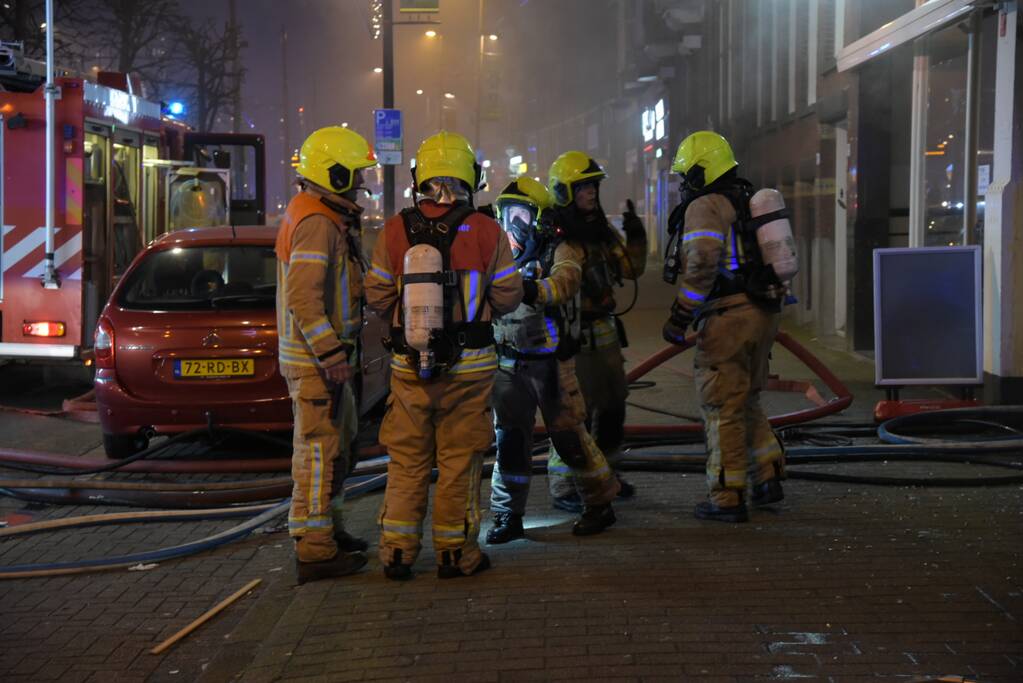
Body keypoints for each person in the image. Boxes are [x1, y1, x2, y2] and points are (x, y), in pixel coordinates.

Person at [365, 131, 523, 579]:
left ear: (421, 177)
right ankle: (456, 554)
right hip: (470, 370)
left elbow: (376, 293)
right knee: (458, 461)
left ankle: (397, 552)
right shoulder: (488, 229)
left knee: (408, 460)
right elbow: (510, 295)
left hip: (408, 366)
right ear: (469, 177)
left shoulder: (395, 229)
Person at [661, 130, 787, 523]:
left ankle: (727, 496)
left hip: (727, 317)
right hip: (762, 312)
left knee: (721, 408)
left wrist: (680, 315)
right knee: (746, 398)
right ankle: (768, 476)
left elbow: (700, 265)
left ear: (702, 170)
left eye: (687, 176)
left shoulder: (706, 205)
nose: (685, 185)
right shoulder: (745, 200)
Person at [486, 177, 620, 544]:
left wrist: (532, 289)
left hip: (550, 363)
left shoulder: (559, 249)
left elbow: (566, 281)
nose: (512, 222)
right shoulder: (496, 255)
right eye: (506, 212)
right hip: (509, 363)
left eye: (520, 213)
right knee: (510, 443)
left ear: (538, 217)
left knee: (570, 439)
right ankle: (507, 515)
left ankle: (600, 504)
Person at [275, 126, 377, 584]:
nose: (360, 185)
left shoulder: (322, 216)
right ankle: (315, 551)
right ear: (333, 174)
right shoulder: (317, 223)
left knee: (338, 450)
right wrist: (331, 353)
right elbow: (303, 299)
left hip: (327, 362)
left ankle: (329, 533)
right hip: (317, 364)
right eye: (354, 176)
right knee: (318, 454)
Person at [544, 151, 647, 511]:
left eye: (593, 186)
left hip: (604, 335)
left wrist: (636, 235)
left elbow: (631, 270)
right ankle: (565, 485)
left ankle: (608, 475)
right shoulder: (557, 238)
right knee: (575, 416)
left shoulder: (602, 233)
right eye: (583, 186)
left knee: (614, 408)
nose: (591, 192)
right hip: (574, 340)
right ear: (564, 191)